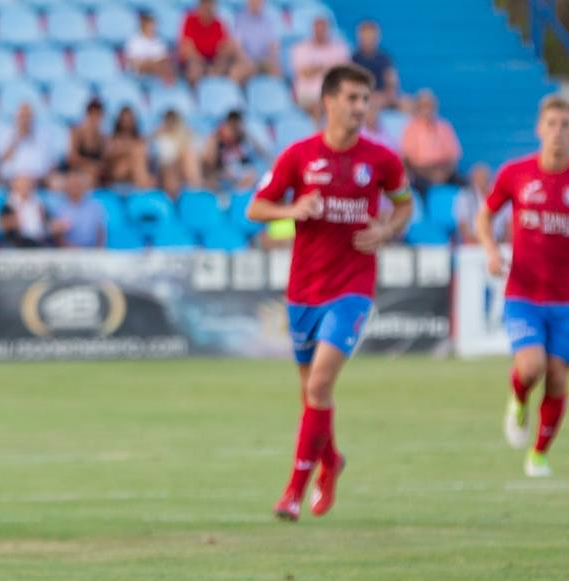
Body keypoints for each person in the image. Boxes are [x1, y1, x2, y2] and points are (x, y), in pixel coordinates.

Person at [247, 64, 413, 520]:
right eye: (353, 98)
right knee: (312, 394)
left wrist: (388, 231)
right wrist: (293, 208)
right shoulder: (299, 156)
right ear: (329, 102)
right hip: (303, 291)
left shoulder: (381, 160)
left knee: (320, 383)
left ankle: (293, 492)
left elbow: (404, 204)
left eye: (366, 99)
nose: (361, 107)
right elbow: (256, 208)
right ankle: (332, 461)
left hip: (353, 289)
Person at [476, 96, 569, 477]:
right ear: (539, 129)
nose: (558, 132)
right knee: (531, 366)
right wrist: (491, 250)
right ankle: (518, 398)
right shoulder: (516, 173)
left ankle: (539, 453)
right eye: (552, 124)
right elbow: (485, 216)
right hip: (523, 294)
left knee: (558, 377)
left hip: (567, 299)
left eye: (566, 125)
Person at [400, 89, 462, 194]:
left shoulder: (445, 126)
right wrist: (431, 175)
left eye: (430, 106)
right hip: (421, 173)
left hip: (444, 171)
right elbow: (409, 160)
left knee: (465, 185)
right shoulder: (410, 129)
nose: (427, 110)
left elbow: (454, 156)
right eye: (424, 106)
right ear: (417, 108)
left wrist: (443, 174)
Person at [178, 0, 254, 85]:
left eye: (211, 7)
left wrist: (216, 65)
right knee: (194, 67)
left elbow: (225, 45)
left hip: (215, 62)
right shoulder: (190, 20)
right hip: (197, 62)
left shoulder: (218, 23)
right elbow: (187, 47)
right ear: (200, 7)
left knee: (232, 47)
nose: (209, 10)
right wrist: (203, 64)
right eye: (207, 7)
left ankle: (228, 80)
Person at [290, 16, 350, 115]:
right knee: (318, 106)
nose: (320, 31)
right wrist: (328, 66)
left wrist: (317, 67)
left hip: (334, 92)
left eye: (323, 28)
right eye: (318, 28)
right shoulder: (301, 48)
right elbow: (305, 73)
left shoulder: (339, 47)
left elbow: (344, 73)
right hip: (308, 95)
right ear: (313, 29)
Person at [203, 109, 268, 190]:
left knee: (251, 174)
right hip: (220, 176)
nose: (235, 131)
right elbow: (209, 164)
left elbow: (263, 152)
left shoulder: (242, 135)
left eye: (238, 128)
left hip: (238, 174)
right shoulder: (214, 139)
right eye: (233, 128)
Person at [0, 101, 56, 186]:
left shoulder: (44, 134)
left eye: (28, 116)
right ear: (16, 117)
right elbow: (2, 160)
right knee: (23, 183)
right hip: (14, 177)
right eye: (22, 116)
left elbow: (51, 161)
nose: (25, 120)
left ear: (33, 117)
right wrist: (17, 139)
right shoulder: (6, 133)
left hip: (40, 178)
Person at [150, 108, 202, 199]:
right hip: (165, 168)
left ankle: (195, 192)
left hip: (179, 168)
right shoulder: (160, 137)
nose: (171, 124)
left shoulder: (186, 136)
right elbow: (163, 159)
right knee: (171, 170)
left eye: (173, 121)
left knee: (188, 157)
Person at [453, 162, 508, 246]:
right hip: (474, 243)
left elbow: (508, 223)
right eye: (478, 178)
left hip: (499, 242)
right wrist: (476, 243)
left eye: (484, 177)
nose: (481, 181)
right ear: (472, 180)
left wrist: (504, 243)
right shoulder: (465, 196)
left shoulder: (500, 195)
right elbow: (463, 224)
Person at [350, 20, 400, 110]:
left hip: (381, 97)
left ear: (377, 38)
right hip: (360, 97)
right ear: (359, 37)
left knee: (407, 103)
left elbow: (392, 82)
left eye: (371, 36)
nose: (368, 40)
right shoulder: (353, 59)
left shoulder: (384, 58)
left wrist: (387, 95)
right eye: (365, 36)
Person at [51, 169, 107, 248]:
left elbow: (101, 232)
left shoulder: (95, 206)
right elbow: (57, 236)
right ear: (66, 188)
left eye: (78, 185)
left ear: (84, 187)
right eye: (71, 186)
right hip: (67, 252)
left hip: (92, 251)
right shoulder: (59, 207)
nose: (75, 189)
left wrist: (98, 251)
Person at [101, 105, 151, 189]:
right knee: (136, 152)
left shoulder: (138, 138)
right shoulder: (113, 137)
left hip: (132, 169)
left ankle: (142, 184)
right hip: (117, 171)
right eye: (124, 118)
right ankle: (143, 185)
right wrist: (127, 149)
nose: (127, 121)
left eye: (129, 118)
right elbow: (107, 155)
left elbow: (146, 156)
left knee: (137, 156)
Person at [232, 0, 282, 77]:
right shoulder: (240, 20)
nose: (255, 4)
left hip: (263, 61)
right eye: (253, 2)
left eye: (258, 2)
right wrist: (247, 62)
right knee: (236, 73)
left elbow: (273, 46)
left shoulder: (269, 20)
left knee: (277, 71)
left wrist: (271, 59)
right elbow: (238, 47)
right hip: (246, 61)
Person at [125, 10, 176, 85]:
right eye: (150, 25)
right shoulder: (134, 40)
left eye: (153, 25)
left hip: (154, 76)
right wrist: (151, 63)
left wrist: (151, 62)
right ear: (143, 25)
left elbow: (163, 61)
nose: (152, 28)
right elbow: (134, 63)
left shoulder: (159, 41)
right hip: (137, 76)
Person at [65, 98, 108, 180]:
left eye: (98, 115)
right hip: (76, 171)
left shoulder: (103, 137)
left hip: (94, 174)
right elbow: (71, 158)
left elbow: (104, 161)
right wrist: (89, 165)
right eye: (93, 114)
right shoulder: (76, 132)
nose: (95, 118)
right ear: (87, 115)